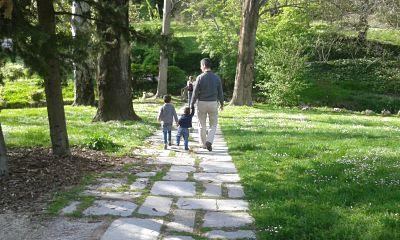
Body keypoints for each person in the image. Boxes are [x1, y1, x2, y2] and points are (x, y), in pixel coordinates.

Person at [191, 58, 224, 151]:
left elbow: (195, 93)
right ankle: (209, 141)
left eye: (201, 66)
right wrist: (222, 103)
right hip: (213, 103)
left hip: (201, 103)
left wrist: (191, 104)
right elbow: (220, 92)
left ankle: (203, 144)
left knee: (201, 124)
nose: (200, 67)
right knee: (213, 124)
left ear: (204, 66)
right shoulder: (217, 77)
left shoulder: (200, 77)